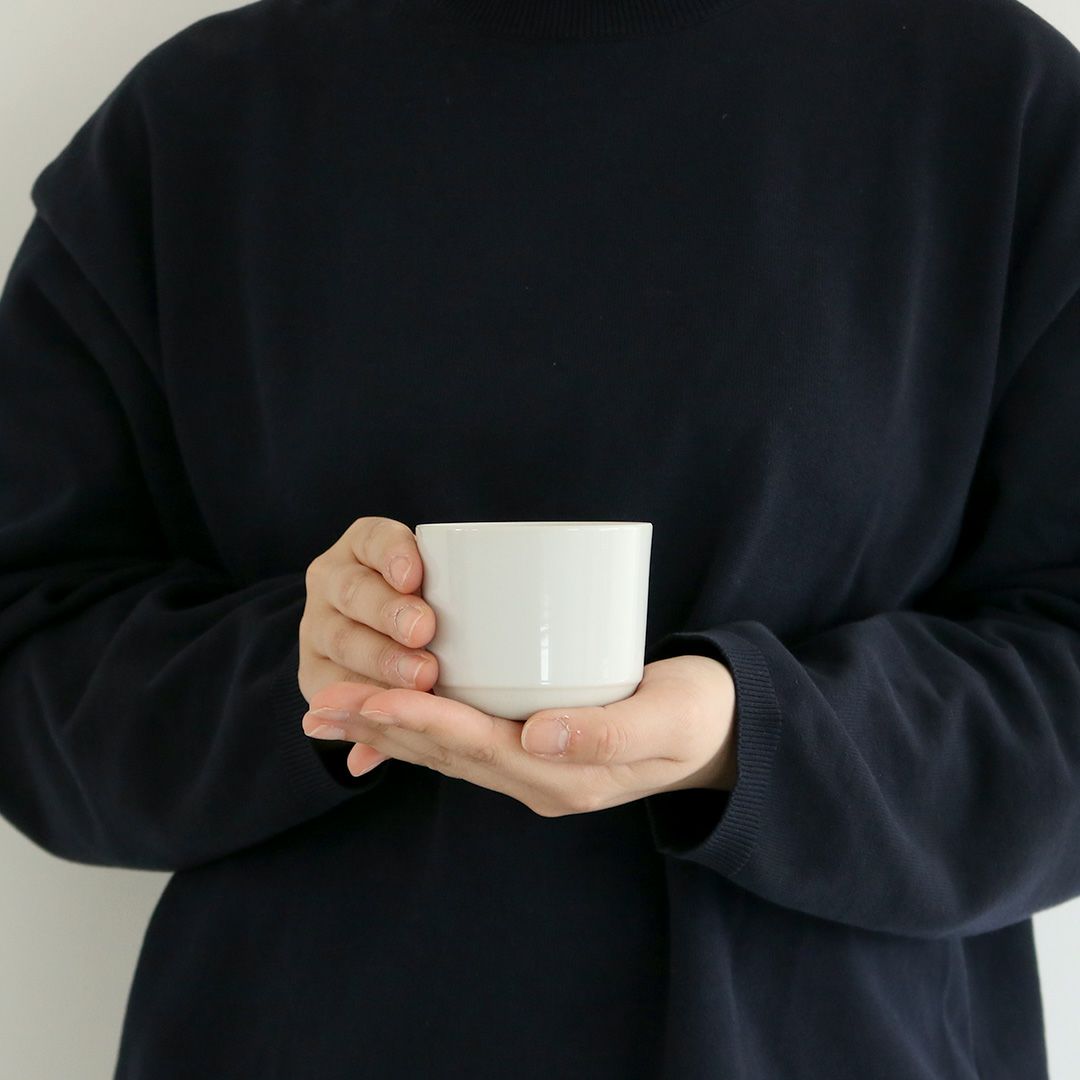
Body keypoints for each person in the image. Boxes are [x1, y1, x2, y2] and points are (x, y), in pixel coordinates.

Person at [1, 0, 1079, 1075]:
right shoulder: (200, 122)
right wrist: (312, 668)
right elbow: (29, 646)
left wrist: (752, 739)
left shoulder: (995, 102)